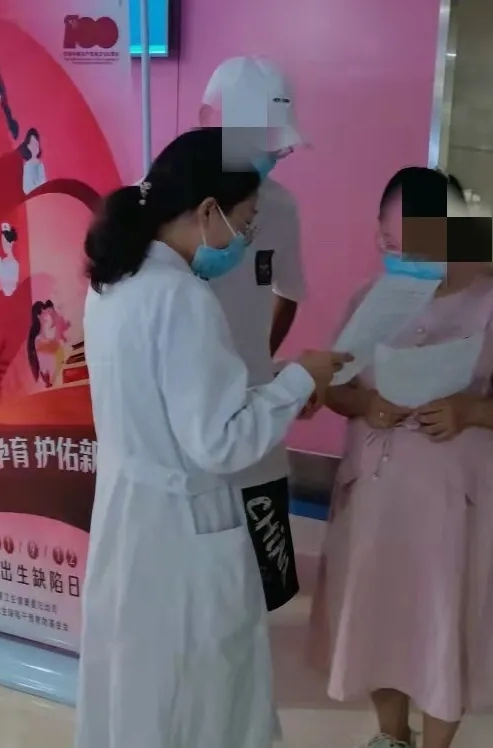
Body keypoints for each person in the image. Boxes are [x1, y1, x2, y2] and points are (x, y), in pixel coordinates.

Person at [75, 127, 351, 748]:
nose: (243, 239)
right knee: (199, 694)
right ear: (206, 212)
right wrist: (301, 378)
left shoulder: (115, 282)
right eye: (244, 223)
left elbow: (173, 400)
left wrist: (277, 386)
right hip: (185, 527)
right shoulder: (183, 298)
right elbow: (219, 442)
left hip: (131, 512)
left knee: (136, 685)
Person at [308, 167, 493, 748]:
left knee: (443, 621)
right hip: (377, 494)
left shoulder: (492, 302)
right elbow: (334, 387)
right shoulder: (368, 300)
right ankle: (391, 735)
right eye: (395, 247)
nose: (408, 262)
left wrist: (471, 410)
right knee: (378, 617)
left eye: (423, 249)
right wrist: (367, 403)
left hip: (450, 502)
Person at [198, 56, 308, 611]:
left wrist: (259, 361)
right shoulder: (160, 205)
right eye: (257, 141)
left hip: (253, 408)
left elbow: (289, 290)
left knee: (262, 582)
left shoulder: (281, 208)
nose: (269, 155)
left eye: (275, 145)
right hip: (190, 422)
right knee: (200, 581)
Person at [20, 128, 46, 194]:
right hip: (31, 196)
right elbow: (26, 188)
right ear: (28, 146)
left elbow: (43, 183)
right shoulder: (27, 166)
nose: (35, 146)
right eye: (33, 143)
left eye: (37, 143)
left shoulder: (41, 165)